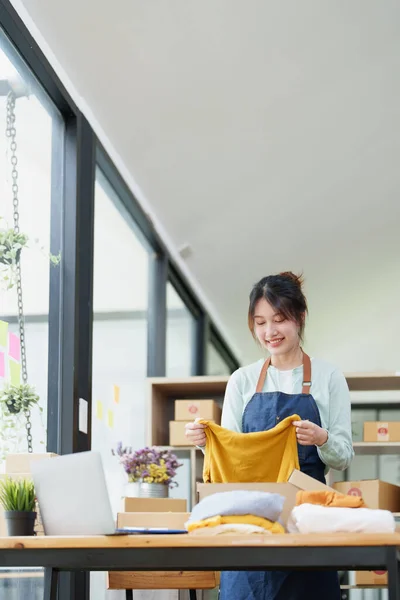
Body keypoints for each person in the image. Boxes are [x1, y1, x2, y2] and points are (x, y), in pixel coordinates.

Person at [185, 271, 354, 600]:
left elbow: (344, 456)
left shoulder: (328, 376)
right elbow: (232, 460)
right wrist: (208, 443)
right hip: (251, 521)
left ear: (300, 317)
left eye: (279, 320)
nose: (269, 331)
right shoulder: (242, 380)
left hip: (306, 518)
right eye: (260, 322)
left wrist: (321, 438)